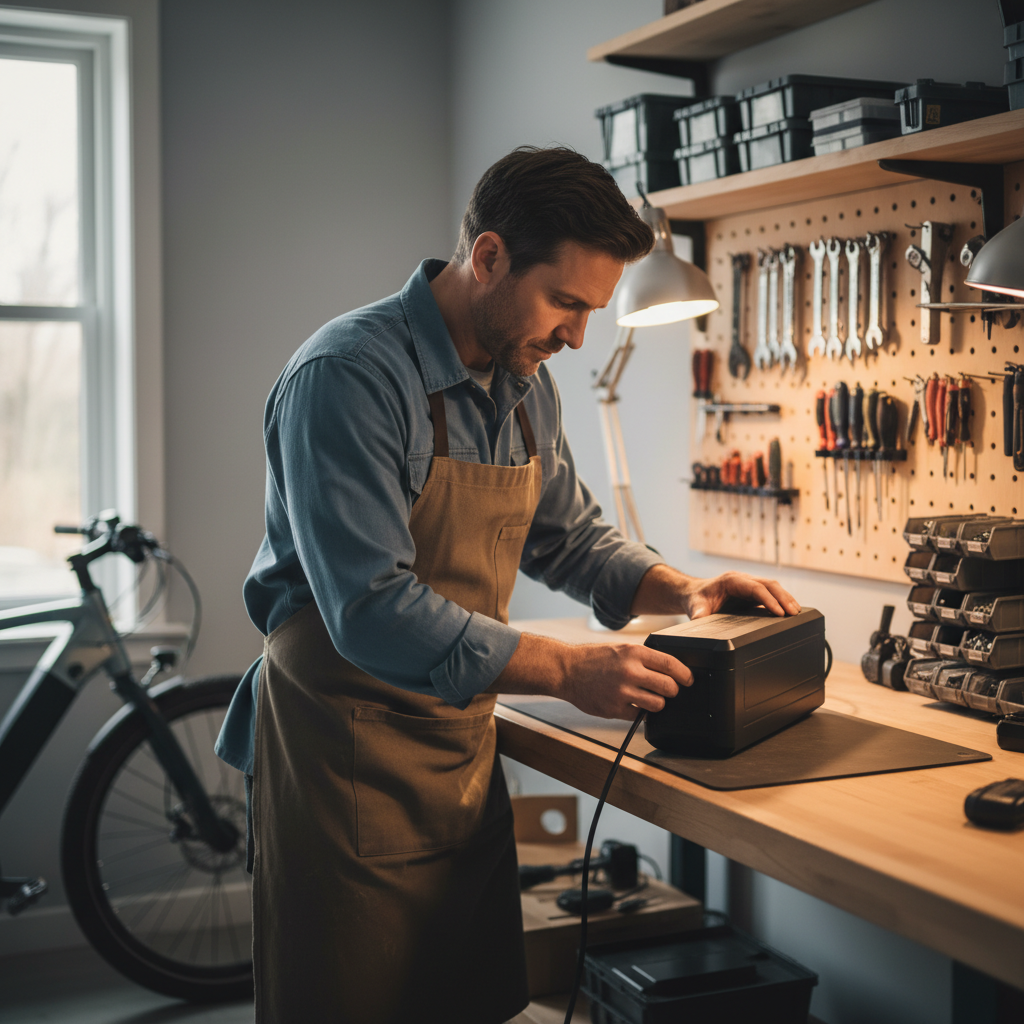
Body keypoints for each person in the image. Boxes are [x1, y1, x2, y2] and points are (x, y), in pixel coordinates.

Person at [215, 145, 800, 1024]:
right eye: (565, 302)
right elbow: (371, 610)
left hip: (456, 755)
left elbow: (569, 539)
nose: (575, 336)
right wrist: (571, 671)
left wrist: (683, 592)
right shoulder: (349, 378)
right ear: (488, 257)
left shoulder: (526, 384)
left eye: (591, 312)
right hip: (340, 761)